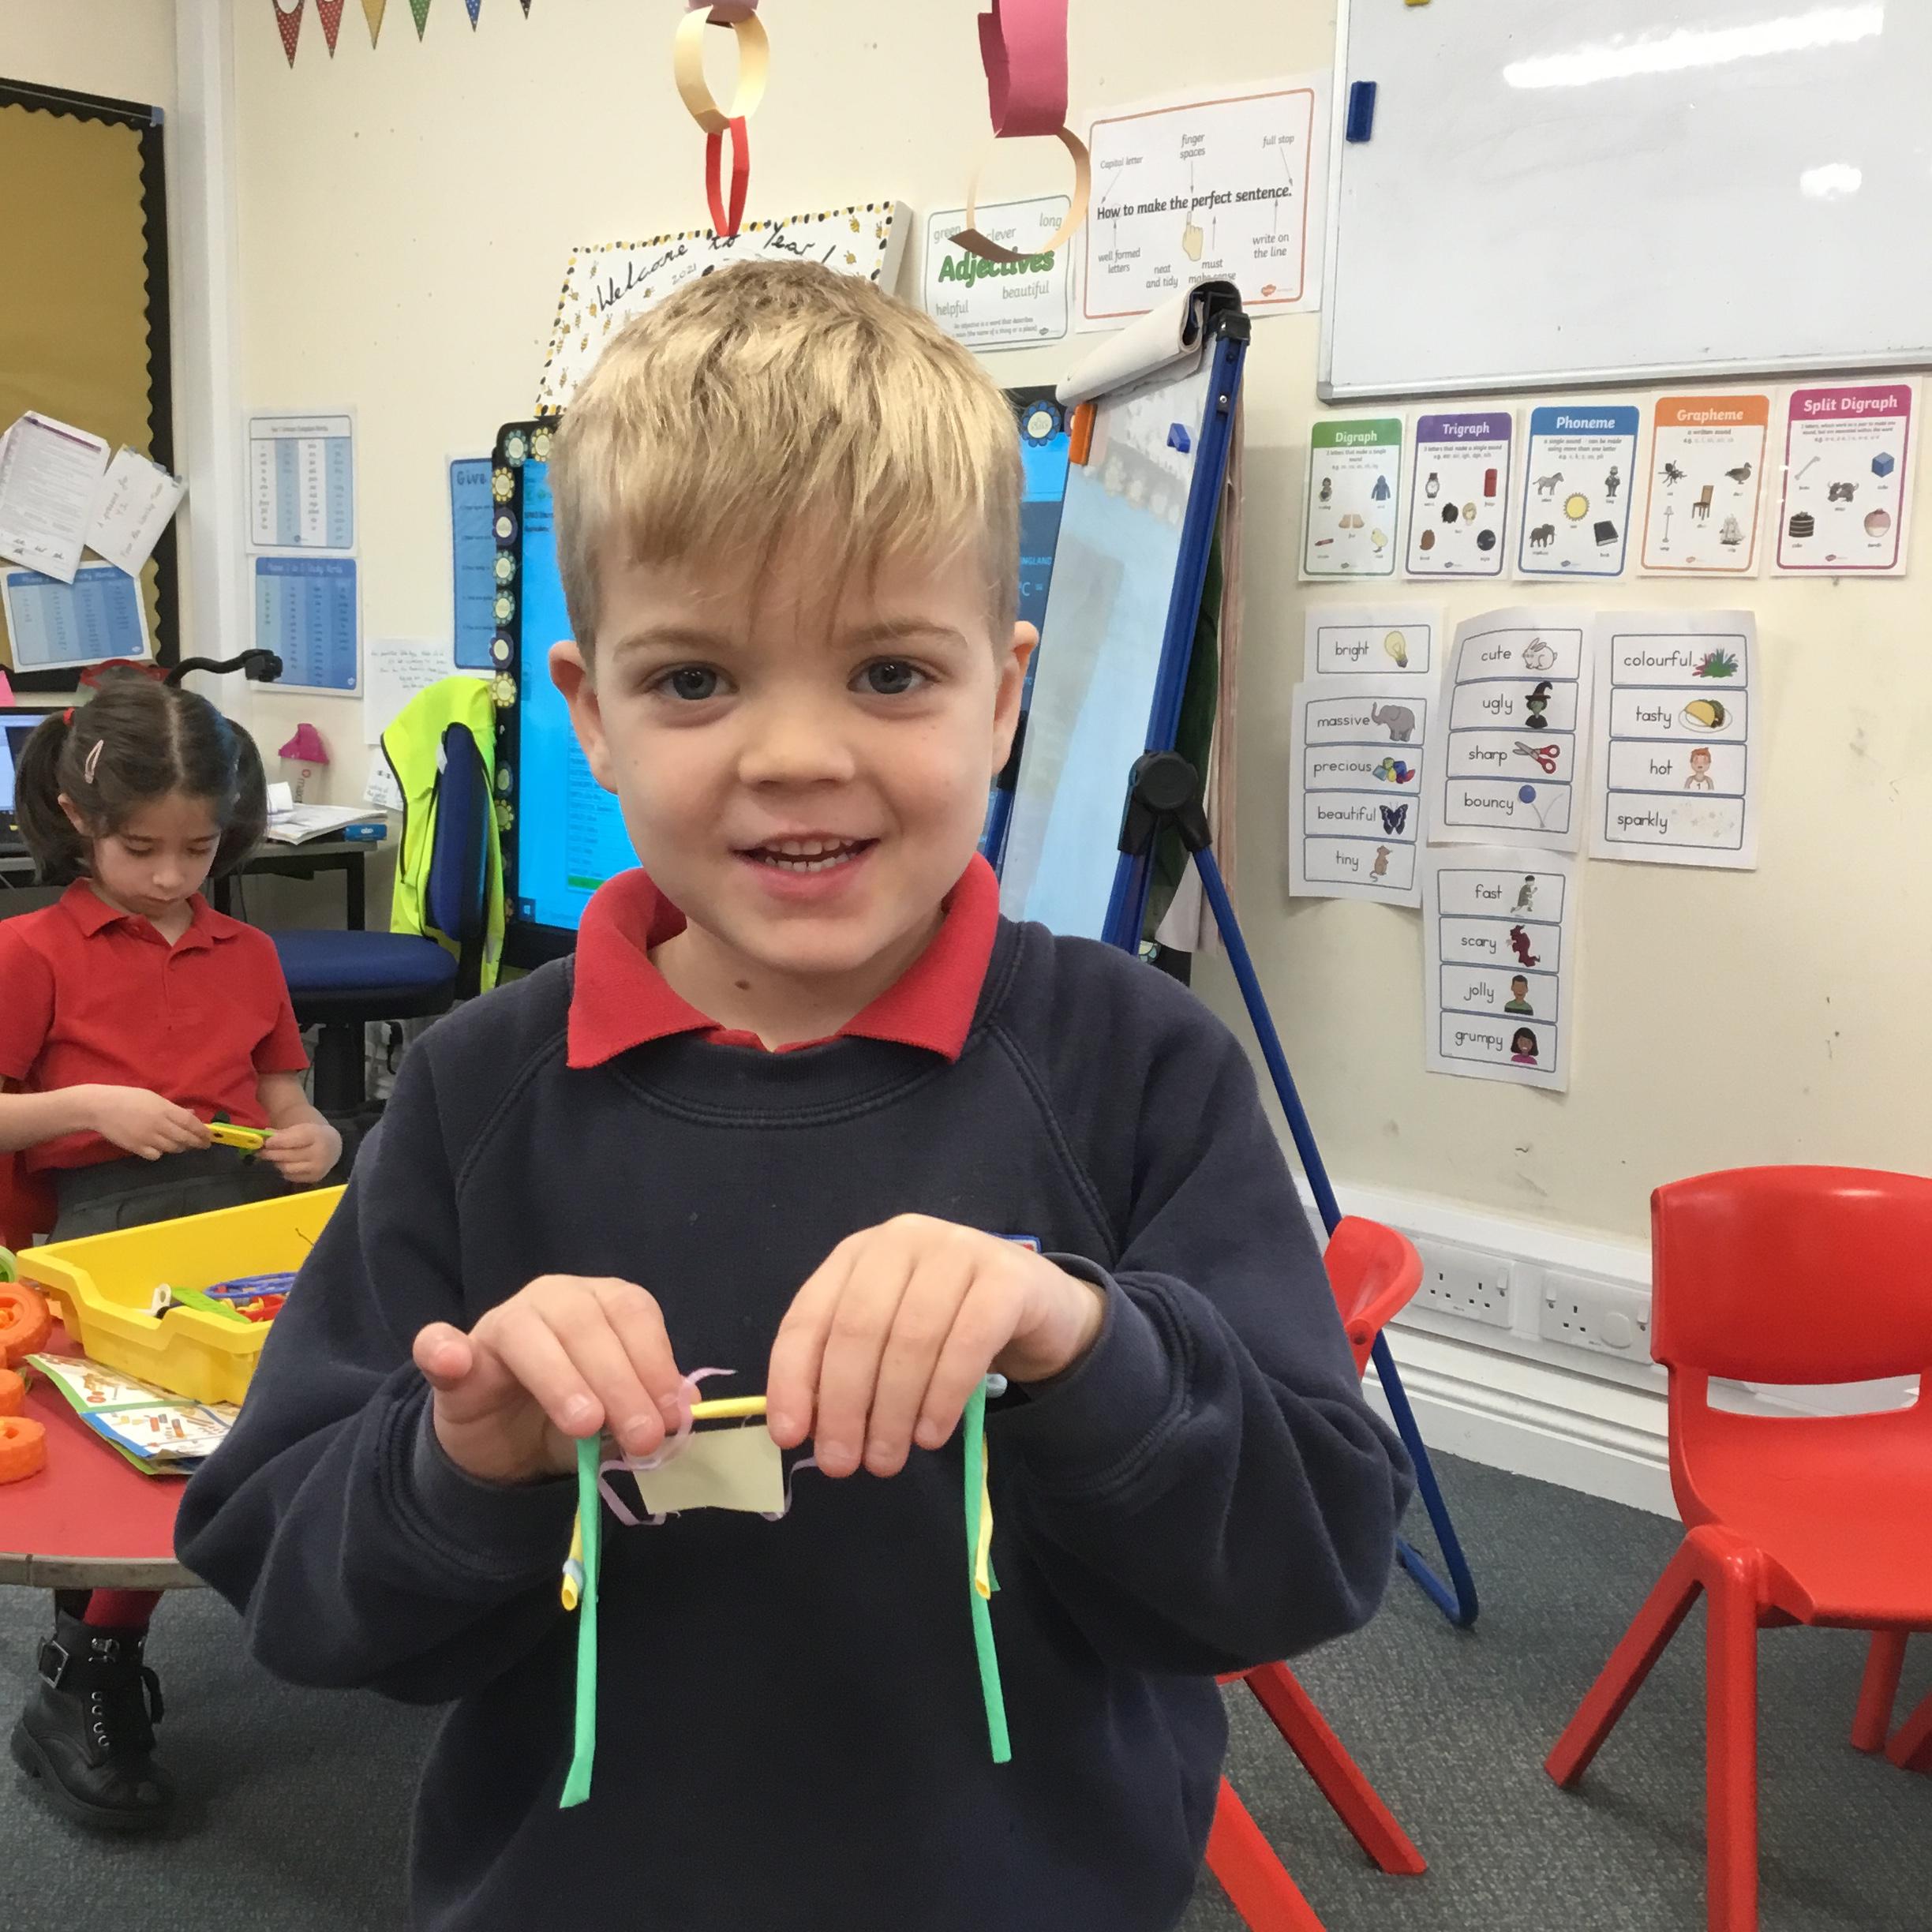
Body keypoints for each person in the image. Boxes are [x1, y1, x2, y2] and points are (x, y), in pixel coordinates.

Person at [178, 262, 1412, 1932]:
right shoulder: (477, 1093)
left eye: (891, 673)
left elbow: (1308, 1555)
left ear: (1007, 695)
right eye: (696, 681)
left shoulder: (1137, 1063)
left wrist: (1081, 1344)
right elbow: (284, 1578)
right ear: (591, 714)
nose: (796, 756)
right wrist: (466, 1463)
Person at [0, 673, 342, 1832]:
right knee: (146, 1468)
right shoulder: (32, 952)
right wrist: (88, 1105)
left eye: (198, 849)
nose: (170, 878)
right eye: (141, 849)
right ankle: (88, 1672)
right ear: (77, 818)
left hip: (235, 1227)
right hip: (97, 1237)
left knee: (248, 1435)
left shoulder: (247, 951)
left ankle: (98, 1644)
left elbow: (287, 1099)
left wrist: (314, 1135)